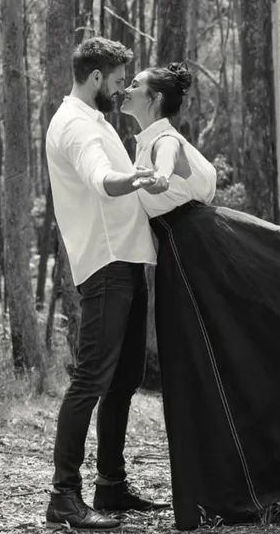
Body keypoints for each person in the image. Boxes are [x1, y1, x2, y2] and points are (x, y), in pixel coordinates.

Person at [119, 62, 280, 530]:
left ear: (154, 100)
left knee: (219, 358)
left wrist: (160, 177)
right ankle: (233, 485)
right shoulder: (143, 142)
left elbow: (166, 162)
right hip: (187, 254)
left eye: (135, 85)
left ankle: (241, 486)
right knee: (209, 365)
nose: (126, 89)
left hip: (200, 251)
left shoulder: (163, 140)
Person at [45, 37, 169, 529]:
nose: (120, 91)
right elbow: (101, 180)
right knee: (91, 381)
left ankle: (111, 486)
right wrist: (138, 178)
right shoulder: (76, 126)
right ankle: (63, 497)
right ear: (95, 78)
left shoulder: (93, 120)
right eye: (117, 81)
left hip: (128, 259)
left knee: (125, 379)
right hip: (105, 264)